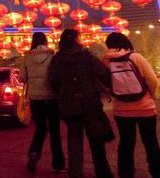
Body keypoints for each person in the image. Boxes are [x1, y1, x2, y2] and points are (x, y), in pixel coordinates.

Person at [48, 28, 113, 178]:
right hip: (89, 102)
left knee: (74, 139)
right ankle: (102, 172)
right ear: (77, 40)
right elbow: (102, 74)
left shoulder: (57, 59)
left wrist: (64, 94)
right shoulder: (87, 56)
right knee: (96, 139)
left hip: (69, 104)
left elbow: (53, 80)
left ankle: (75, 172)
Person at [103, 32, 160, 178]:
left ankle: (126, 172)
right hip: (145, 108)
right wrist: (150, 94)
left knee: (126, 142)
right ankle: (156, 172)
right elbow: (152, 79)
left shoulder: (105, 61)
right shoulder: (135, 57)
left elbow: (104, 83)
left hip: (121, 110)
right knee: (150, 141)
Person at [19, 32, 65, 174]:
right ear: (45, 42)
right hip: (52, 98)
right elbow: (59, 75)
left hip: (36, 99)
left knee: (40, 129)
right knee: (55, 131)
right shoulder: (52, 56)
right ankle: (58, 165)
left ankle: (34, 152)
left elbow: (22, 78)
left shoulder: (27, 58)